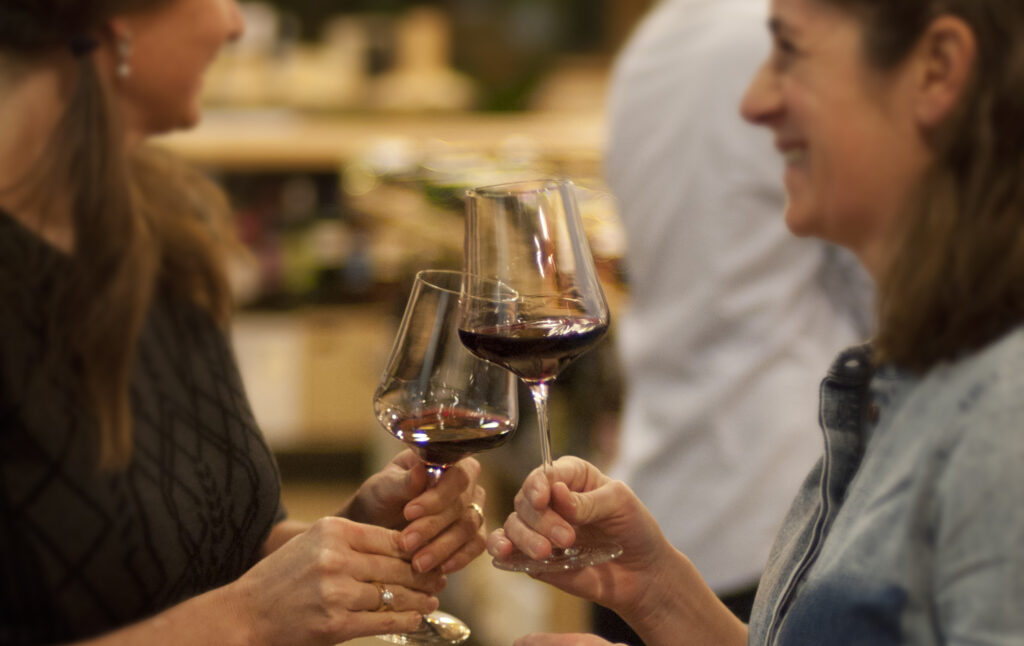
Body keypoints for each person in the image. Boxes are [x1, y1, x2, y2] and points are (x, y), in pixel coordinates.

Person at [489, 0, 1024, 643]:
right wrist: (659, 593)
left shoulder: (1000, 410)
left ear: (937, 69)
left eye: (791, 54)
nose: (755, 102)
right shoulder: (902, 374)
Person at [0, 2, 487, 644]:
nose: (233, 26)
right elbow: (235, 608)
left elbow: (210, 554)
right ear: (114, 19)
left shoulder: (163, 234)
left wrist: (352, 536)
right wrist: (250, 616)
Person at [600, 0, 870, 639]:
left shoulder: (654, 42)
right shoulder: (802, 40)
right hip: (781, 503)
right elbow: (892, 295)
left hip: (653, 498)